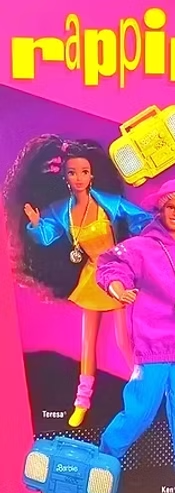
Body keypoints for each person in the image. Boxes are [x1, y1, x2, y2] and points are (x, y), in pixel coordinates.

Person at [3, 135, 153, 427]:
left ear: (92, 175)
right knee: (88, 344)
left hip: (117, 274)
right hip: (91, 276)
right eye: (72, 172)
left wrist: (139, 249)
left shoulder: (109, 203)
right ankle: (81, 402)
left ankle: (143, 392)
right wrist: (36, 224)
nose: (79, 177)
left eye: (84, 171)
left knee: (124, 339)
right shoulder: (62, 211)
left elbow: (142, 220)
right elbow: (47, 237)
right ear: (65, 177)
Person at [95, 178, 175, 476]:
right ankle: (105, 459)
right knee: (139, 411)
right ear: (161, 208)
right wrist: (118, 288)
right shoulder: (140, 247)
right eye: (171, 207)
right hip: (152, 346)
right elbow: (111, 266)